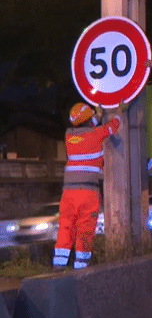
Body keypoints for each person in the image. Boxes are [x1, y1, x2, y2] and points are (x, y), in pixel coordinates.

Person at [53, 102, 121, 271]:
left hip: (68, 193)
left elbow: (89, 126)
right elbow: (112, 127)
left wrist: (96, 115)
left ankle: (58, 267)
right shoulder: (96, 134)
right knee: (85, 230)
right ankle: (81, 269)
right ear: (88, 120)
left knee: (66, 227)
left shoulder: (69, 136)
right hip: (87, 192)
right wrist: (119, 112)